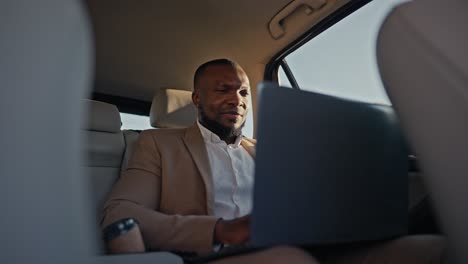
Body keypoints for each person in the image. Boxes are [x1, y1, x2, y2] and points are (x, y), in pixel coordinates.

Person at [101, 59, 446, 263]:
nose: (236, 99)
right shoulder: (158, 143)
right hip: (216, 254)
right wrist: (221, 230)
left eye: (243, 92)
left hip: (301, 244)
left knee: (428, 249)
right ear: (196, 98)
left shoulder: (265, 150)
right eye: (222, 89)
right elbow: (120, 212)